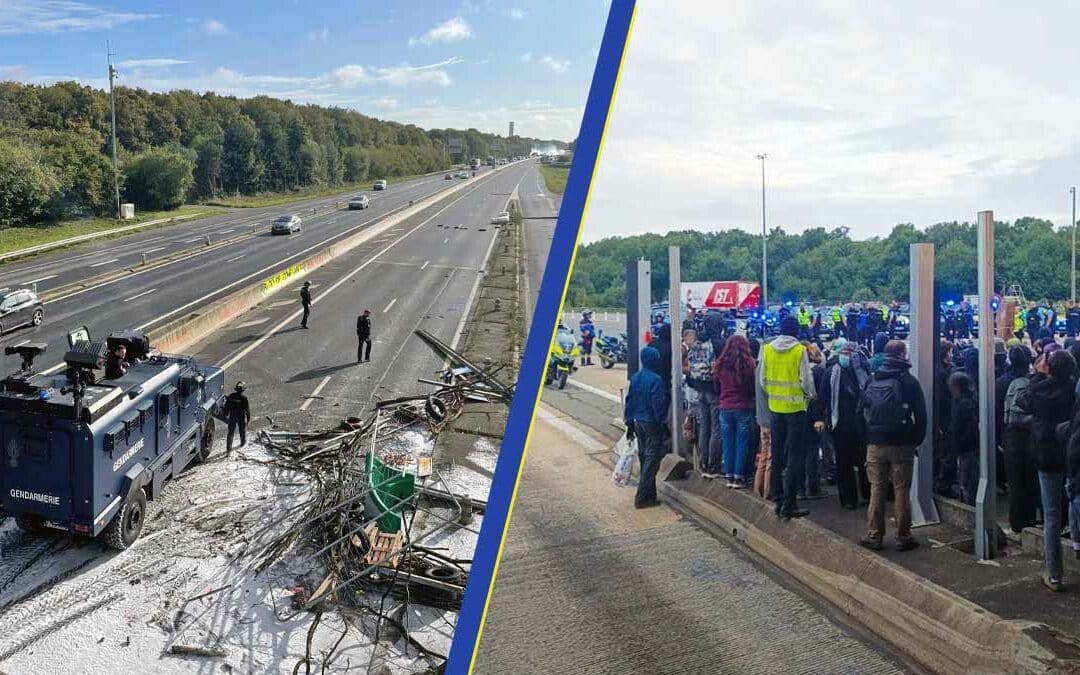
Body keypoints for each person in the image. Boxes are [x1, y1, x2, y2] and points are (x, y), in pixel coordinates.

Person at [860, 340, 927, 552]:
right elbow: (922, 416)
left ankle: (874, 535)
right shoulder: (909, 382)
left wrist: (869, 437)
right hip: (902, 443)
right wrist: (915, 439)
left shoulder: (872, 378)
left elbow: (860, 410)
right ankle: (903, 536)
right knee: (901, 490)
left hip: (875, 443)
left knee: (877, 488)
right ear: (901, 355)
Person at [1018, 349, 1076, 592]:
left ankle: (1054, 574)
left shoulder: (1038, 389)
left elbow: (1022, 402)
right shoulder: (1074, 389)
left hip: (1047, 458)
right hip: (1073, 454)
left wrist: (1038, 374)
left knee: (1051, 516)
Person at [757, 316, 816, 519]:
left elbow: (762, 380)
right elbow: (806, 381)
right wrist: (809, 397)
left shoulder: (768, 349)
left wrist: (774, 394)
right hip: (796, 410)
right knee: (794, 457)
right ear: (796, 331)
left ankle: (778, 499)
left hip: (776, 408)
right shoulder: (799, 350)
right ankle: (790, 503)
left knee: (777, 454)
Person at [816, 339, 872, 509]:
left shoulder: (861, 371)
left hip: (861, 425)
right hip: (839, 424)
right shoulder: (832, 373)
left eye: (849, 354)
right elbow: (823, 398)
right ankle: (848, 499)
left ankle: (868, 494)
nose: (846, 357)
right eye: (843, 354)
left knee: (864, 462)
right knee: (844, 463)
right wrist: (819, 418)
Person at [624, 346, 669, 509]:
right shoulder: (656, 380)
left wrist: (629, 423)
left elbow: (629, 401)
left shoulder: (636, 377)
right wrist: (662, 423)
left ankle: (651, 495)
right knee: (651, 460)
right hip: (651, 423)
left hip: (638, 422)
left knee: (645, 458)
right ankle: (642, 497)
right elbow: (658, 405)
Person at [1002, 346, 1037, 534]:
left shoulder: (1001, 381)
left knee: (1015, 483)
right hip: (1022, 438)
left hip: (1008, 438)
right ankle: (1026, 522)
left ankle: (1017, 522)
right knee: (1027, 482)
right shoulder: (1024, 383)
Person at [714, 335, 756, 488]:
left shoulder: (720, 365)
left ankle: (729, 475)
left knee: (728, 443)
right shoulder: (749, 365)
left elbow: (717, 387)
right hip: (743, 407)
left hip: (725, 407)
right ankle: (739, 477)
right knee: (741, 443)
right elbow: (752, 388)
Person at [684, 327, 716, 475]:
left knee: (704, 427)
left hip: (698, 389)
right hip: (711, 389)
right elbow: (714, 367)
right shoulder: (711, 345)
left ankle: (703, 462)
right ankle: (712, 463)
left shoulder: (694, 348)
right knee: (715, 429)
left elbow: (689, 369)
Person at [948, 371, 979, 506]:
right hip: (967, 445)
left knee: (968, 475)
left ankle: (969, 502)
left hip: (966, 445)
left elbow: (963, 426)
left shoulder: (962, 403)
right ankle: (968, 500)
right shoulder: (968, 400)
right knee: (967, 474)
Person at [224, 381, 251, 456]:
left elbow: (226, 407)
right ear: (243, 390)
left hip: (232, 416)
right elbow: (247, 409)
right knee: (242, 431)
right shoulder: (244, 398)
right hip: (241, 417)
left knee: (230, 433)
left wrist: (226, 414)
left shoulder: (231, 396)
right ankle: (243, 444)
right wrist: (248, 419)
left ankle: (228, 450)